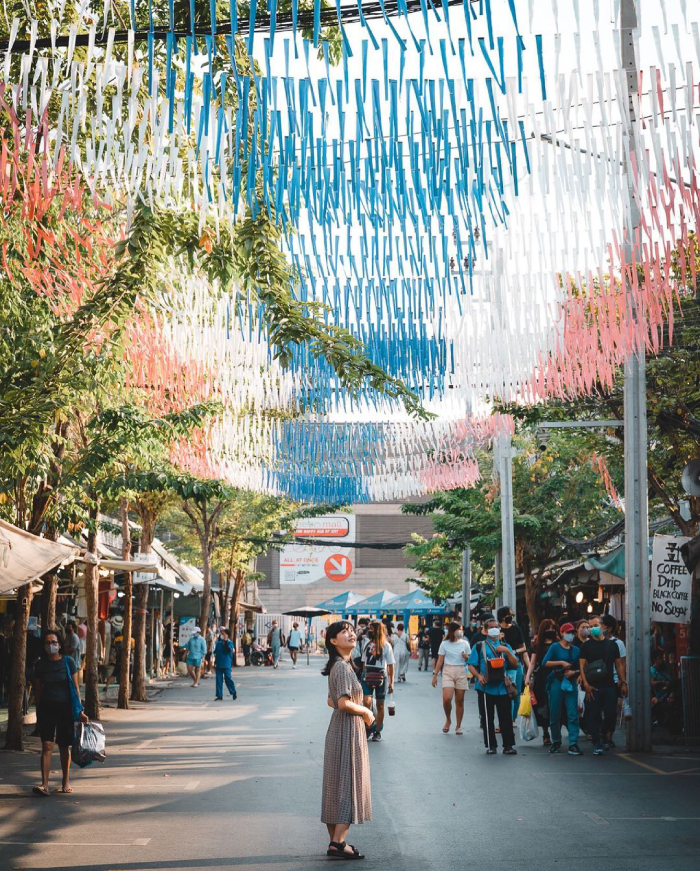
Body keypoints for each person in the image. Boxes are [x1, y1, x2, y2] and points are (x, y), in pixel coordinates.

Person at [321, 621, 374, 860]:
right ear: (333, 641)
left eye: (352, 630)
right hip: (348, 730)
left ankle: (337, 842)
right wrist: (365, 711)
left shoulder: (340, 665)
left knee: (337, 786)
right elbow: (341, 703)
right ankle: (338, 843)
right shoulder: (342, 667)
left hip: (340, 728)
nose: (351, 633)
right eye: (344, 631)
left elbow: (331, 701)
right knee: (349, 785)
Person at [32, 630, 88, 796]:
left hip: (65, 709)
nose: (51, 645)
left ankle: (66, 781)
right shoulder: (40, 665)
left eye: (54, 642)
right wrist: (38, 711)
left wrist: (80, 712)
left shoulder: (68, 662)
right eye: (48, 643)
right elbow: (37, 690)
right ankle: (45, 784)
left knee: (64, 746)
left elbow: (76, 689)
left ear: (60, 644)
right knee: (46, 745)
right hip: (46, 709)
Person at [467, 618, 518, 754]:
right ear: (486, 630)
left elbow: (515, 664)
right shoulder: (479, 646)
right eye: (491, 627)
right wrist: (478, 676)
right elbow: (471, 664)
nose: (495, 629)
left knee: (505, 717)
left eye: (497, 626)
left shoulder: (506, 646)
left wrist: (507, 651)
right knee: (487, 718)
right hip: (485, 687)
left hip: (502, 687)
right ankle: (491, 745)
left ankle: (508, 746)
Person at [579, 615, 627, 755]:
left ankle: (606, 738)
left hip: (609, 685)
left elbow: (619, 666)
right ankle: (597, 742)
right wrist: (586, 684)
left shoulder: (613, 645)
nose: (592, 628)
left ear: (603, 627)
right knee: (593, 715)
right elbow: (582, 666)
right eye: (590, 626)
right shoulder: (586, 646)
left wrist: (623, 682)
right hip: (592, 686)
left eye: (595, 625)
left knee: (610, 713)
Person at [541, 622, 583, 756]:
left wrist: (574, 673)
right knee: (555, 713)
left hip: (570, 682)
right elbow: (544, 663)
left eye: (572, 633)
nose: (570, 635)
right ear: (562, 634)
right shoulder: (554, 647)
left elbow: (581, 667)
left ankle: (573, 743)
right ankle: (556, 741)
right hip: (556, 682)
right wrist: (561, 663)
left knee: (573, 713)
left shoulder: (576, 650)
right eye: (568, 632)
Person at [431, 622, 471, 735]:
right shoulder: (444, 644)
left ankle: (458, 726)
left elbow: (470, 658)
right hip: (448, 670)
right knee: (447, 698)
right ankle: (448, 719)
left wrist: (466, 657)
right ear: (452, 631)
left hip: (461, 670)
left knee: (459, 700)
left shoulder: (465, 643)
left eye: (462, 630)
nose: (460, 632)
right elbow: (440, 660)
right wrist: (435, 675)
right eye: (459, 629)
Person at [525, 618, 558, 746]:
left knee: (555, 705)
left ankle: (556, 732)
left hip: (556, 676)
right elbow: (532, 663)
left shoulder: (558, 643)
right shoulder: (536, 645)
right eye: (548, 628)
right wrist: (528, 677)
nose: (550, 630)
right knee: (543, 705)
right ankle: (546, 733)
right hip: (541, 678)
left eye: (553, 628)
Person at [360, 621, 395, 742]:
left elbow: (391, 665)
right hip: (367, 674)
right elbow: (364, 662)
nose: (369, 631)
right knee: (366, 702)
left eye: (371, 629)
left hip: (381, 675)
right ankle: (367, 727)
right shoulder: (367, 644)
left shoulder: (386, 646)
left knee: (380, 704)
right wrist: (363, 675)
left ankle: (378, 731)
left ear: (377, 631)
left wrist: (391, 682)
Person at [497, 606, 530, 724]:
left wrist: (513, 652)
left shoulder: (516, 629)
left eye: (512, 615)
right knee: (507, 692)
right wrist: (497, 638)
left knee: (516, 692)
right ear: (502, 617)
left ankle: (512, 718)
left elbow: (524, 649)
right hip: (501, 664)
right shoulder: (496, 630)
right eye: (509, 615)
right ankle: (506, 719)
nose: (511, 618)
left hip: (516, 662)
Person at [602, 614, 627, 693]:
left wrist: (622, 682)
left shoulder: (618, 643)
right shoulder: (594, 642)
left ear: (609, 628)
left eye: (602, 625)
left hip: (614, 681)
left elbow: (622, 664)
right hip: (598, 680)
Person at [214, 627, 237, 701]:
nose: (222, 635)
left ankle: (233, 692)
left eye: (223, 634)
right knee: (218, 680)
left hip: (227, 664)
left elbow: (228, 650)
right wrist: (215, 662)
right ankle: (219, 695)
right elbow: (216, 653)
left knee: (227, 678)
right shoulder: (219, 643)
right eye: (221, 634)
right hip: (219, 663)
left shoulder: (230, 643)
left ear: (227, 635)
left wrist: (226, 641)